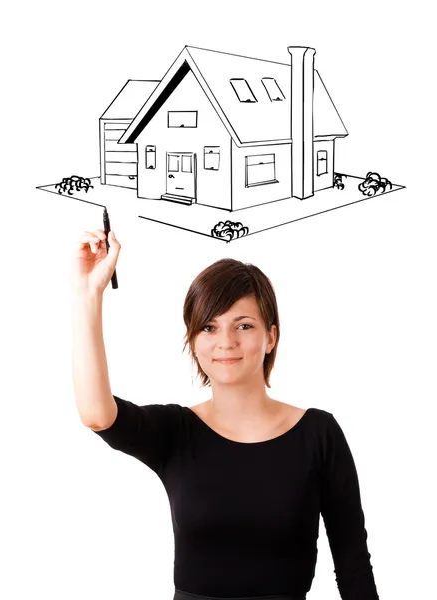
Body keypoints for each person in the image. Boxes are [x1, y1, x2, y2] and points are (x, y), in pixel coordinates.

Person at [72, 228, 380, 600]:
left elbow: (353, 568)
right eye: (209, 327)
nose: (226, 342)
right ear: (194, 340)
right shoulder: (175, 432)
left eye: (244, 326)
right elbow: (96, 413)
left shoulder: (319, 433)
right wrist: (89, 294)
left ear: (271, 337)